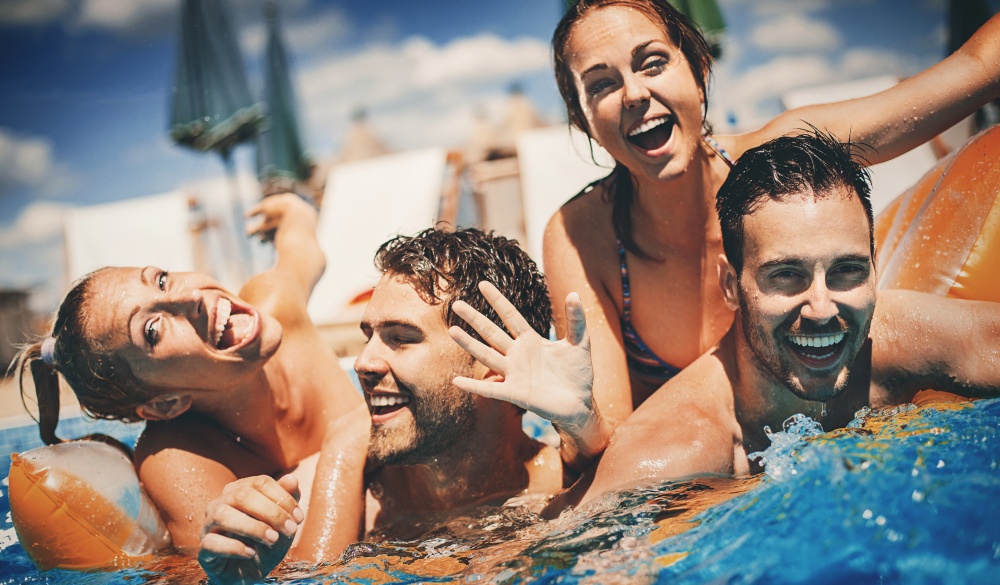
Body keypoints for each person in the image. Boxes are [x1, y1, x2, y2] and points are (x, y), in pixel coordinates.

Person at [457, 131, 1000, 511]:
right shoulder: (680, 449)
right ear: (729, 286)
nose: (822, 308)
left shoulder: (899, 340)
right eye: (785, 275)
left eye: (847, 271)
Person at [544, 0, 1000, 437]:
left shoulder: (785, 166)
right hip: (703, 482)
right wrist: (578, 424)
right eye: (601, 84)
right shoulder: (582, 236)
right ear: (584, 122)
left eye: (653, 62)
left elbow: (976, 68)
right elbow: (608, 436)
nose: (635, 93)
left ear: (699, 72)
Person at [197, 228, 567, 584]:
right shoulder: (326, 500)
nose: (362, 363)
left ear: (495, 363)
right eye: (368, 336)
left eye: (401, 338)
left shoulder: (571, 493)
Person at [15, 193, 368, 559]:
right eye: (152, 330)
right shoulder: (177, 459)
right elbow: (267, 577)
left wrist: (296, 210)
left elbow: (304, 250)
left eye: (162, 280)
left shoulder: (276, 300)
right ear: (164, 403)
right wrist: (345, 447)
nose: (190, 297)